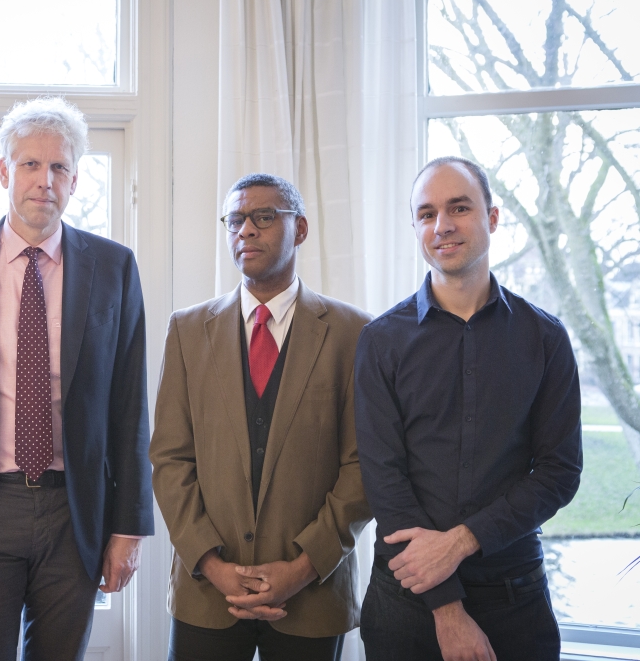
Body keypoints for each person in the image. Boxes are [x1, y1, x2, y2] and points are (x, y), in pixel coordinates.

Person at [0, 96, 154, 661]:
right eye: (30, 164)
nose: (45, 180)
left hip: (77, 511)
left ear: (74, 178)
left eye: (59, 167)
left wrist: (129, 526)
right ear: (3, 171)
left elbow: (129, 407)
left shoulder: (114, 268)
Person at [355, 156, 583, 661]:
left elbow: (559, 472)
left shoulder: (545, 339)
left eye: (459, 207)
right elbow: (383, 480)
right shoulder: (380, 342)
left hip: (515, 598)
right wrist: (447, 611)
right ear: (416, 226)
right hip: (405, 604)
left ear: (492, 218)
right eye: (426, 213)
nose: (442, 226)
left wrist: (461, 541)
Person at [149, 173, 373, 661]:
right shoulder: (188, 331)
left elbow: (363, 468)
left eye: (264, 217)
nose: (245, 230)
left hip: (312, 595)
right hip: (208, 594)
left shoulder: (354, 333)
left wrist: (301, 569)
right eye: (235, 220)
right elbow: (169, 460)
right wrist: (212, 564)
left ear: (301, 228)